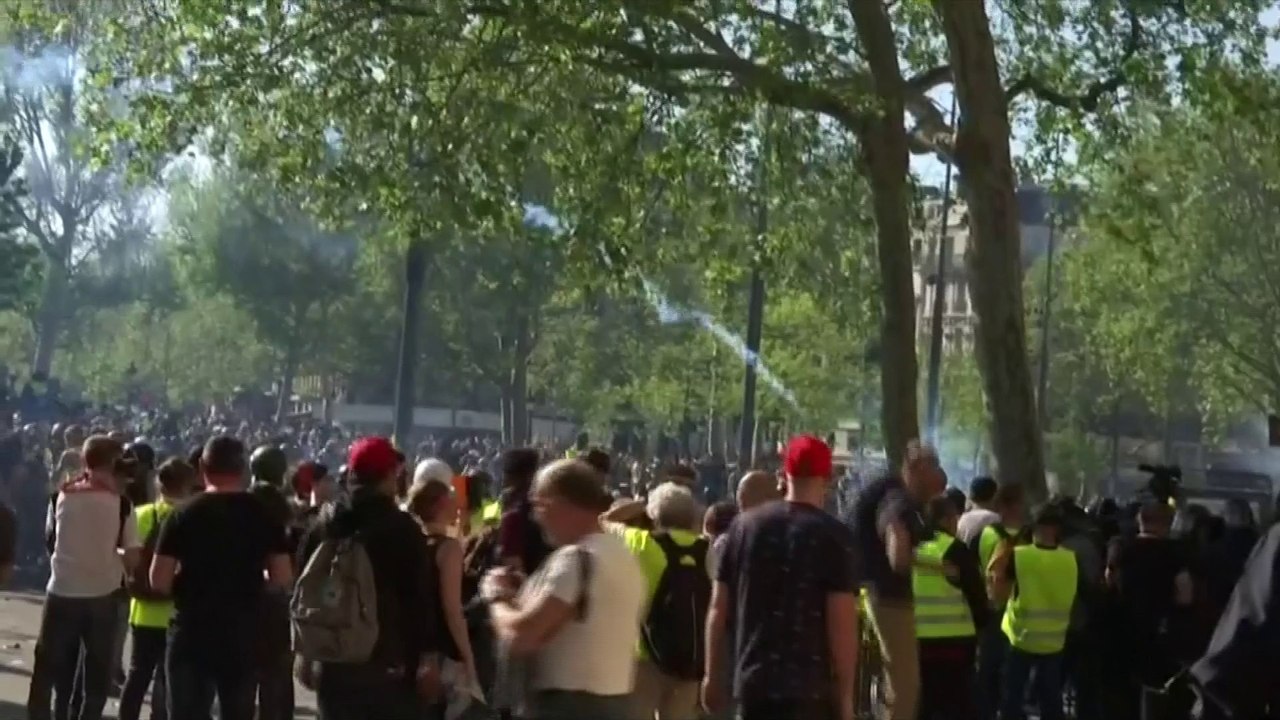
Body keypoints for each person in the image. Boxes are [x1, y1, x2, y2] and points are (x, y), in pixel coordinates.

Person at [704, 435, 859, 720]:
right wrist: (846, 699)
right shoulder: (834, 537)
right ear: (827, 477)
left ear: (784, 473)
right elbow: (842, 624)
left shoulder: (743, 527)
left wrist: (712, 675)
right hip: (810, 689)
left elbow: (718, 608)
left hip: (753, 681)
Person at [296, 436, 447, 720]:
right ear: (391, 475)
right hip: (390, 662)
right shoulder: (402, 529)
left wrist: (305, 653)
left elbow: (304, 585)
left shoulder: (325, 523)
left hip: (335, 659)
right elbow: (419, 599)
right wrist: (428, 659)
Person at [484, 458, 645, 720]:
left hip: (567, 706)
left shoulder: (575, 559)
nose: (536, 516)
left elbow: (521, 636)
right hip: (618, 701)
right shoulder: (623, 555)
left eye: (540, 505)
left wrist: (496, 597)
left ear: (561, 503)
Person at [149, 435, 293, 720]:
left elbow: (159, 580)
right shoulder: (263, 514)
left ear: (203, 467)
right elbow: (282, 576)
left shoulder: (182, 514)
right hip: (243, 629)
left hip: (192, 628)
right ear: (242, 470)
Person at [28, 436, 140, 720]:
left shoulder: (61, 495)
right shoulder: (122, 504)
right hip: (102, 595)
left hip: (61, 591)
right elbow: (133, 556)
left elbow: (50, 540)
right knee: (96, 672)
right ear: (114, 462)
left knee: (46, 669)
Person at [844, 440, 944, 720]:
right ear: (918, 468)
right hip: (889, 597)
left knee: (893, 680)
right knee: (905, 683)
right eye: (934, 469)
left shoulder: (891, 494)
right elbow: (897, 556)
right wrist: (934, 567)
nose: (938, 479)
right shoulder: (898, 501)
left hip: (876, 590)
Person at [118, 458, 197, 720]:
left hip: (142, 609)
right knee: (167, 677)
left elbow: (127, 555)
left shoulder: (140, 514)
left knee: (137, 673)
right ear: (188, 484)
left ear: (158, 483)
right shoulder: (191, 517)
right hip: (176, 610)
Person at [989, 503, 1079, 720]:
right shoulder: (1070, 559)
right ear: (1057, 529)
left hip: (1020, 637)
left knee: (1013, 695)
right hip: (1054, 640)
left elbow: (998, 592)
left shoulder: (1019, 555)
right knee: (1051, 698)